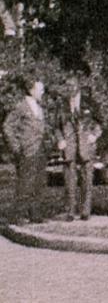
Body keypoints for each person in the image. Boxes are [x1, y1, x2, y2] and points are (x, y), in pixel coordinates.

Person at [2, 78, 47, 224]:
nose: (43, 92)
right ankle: (17, 216)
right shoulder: (21, 106)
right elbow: (7, 126)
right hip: (26, 151)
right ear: (31, 90)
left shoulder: (39, 107)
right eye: (40, 89)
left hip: (40, 149)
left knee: (38, 183)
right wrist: (16, 146)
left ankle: (35, 214)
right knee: (25, 184)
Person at [58, 81, 101, 221]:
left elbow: (100, 122)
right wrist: (60, 140)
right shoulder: (62, 105)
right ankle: (70, 211)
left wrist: (94, 135)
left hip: (86, 147)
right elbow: (56, 126)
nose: (70, 89)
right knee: (69, 180)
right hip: (69, 147)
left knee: (87, 179)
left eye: (73, 86)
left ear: (78, 88)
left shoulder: (90, 103)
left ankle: (85, 211)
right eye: (68, 87)